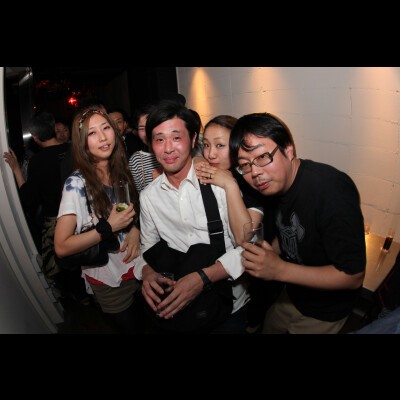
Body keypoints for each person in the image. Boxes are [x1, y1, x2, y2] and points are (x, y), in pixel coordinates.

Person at [230, 112, 366, 334]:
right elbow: (292, 229)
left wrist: (279, 270)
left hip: (325, 310)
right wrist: (271, 251)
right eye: (244, 165)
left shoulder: (330, 190)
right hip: (292, 294)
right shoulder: (273, 186)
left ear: (289, 150)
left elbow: (353, 276)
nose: (255, 172)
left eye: (262, 157)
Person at [134, 100, 249, 333]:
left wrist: (202, 278)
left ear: (193, 139)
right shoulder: (149, 197)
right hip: (181, 311)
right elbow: (148, 246)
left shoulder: (221, 184)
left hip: (229, 306)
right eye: (159, 140)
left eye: (176, 137)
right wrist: (146, 272)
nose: (168, 148)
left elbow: (249, 248)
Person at [54, 108, 144, 333]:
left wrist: (134, 229)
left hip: (137, 266)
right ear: (82, 142)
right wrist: (108, 227)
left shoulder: (119, 170)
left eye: (106, 128)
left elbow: (131, 211)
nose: (103, 137)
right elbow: (62, 246)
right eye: (92, 133)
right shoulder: (76, 184)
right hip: (108, 277)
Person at [129, 104, 160, 192]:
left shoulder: (172, 152)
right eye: (142, 128)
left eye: (151, 127)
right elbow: (136, 195)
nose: (147, 133)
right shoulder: (136, 160)